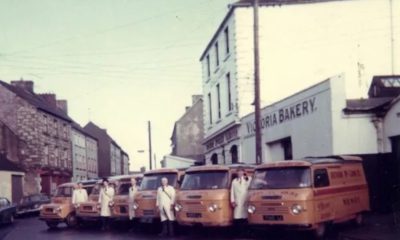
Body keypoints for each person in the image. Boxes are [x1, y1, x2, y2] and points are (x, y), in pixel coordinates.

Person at [230, 167, 252, 236]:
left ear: (243, 172)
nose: (240, 173)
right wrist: (232, 201)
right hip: (237, 202)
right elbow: (232, 192)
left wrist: (247, 176)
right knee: (237, 218)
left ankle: (245, 233)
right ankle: (238, 233)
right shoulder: (234, 181)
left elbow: (250, 185)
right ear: (237, 173)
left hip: (245, 201)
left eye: (241, 171)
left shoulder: (247, 179)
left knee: (245, 218)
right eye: (238, 171)